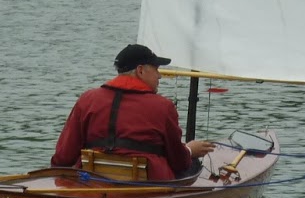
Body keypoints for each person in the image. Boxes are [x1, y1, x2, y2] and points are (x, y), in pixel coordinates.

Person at [52, 43, 216, 180]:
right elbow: (179, 162)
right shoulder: (163, 106)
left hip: (92, 182)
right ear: (140, 70)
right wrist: (189, 150)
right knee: (193, 168)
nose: (159, 76)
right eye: (156, 69)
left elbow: (63, 157)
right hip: (148, 188)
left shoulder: (87, 99)